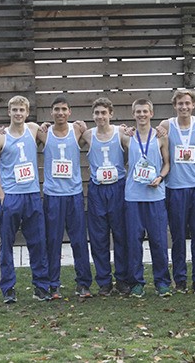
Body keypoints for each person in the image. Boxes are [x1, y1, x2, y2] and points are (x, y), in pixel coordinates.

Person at [0, 96, 51, 303]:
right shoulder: (0, 137)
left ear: (27, 111)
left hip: (31, 195)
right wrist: (2, 196)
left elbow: (59, 135)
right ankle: (8, 288)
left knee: (38, 243)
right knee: (7, 244)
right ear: (9, 112)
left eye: (22, 110)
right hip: (11, 197)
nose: (18, 113)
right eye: (14, 110)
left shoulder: (33, 129)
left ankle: (41, 286)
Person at [37, 95, 93, 299]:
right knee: (53, 241)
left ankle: (84, 284)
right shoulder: (43, 133)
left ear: (69, 112)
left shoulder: (78, 130)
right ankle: (54, 284)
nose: (60, 113)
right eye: (56, 109)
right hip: (53, 195)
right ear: (51, 112)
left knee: (79, 240)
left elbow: (103, 135)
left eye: (64, 109)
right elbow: (20, 136)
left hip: (74, 195)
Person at [158, 90, 195, 294]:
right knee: (178, 236)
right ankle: (179, 279)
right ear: (175, 105)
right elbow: (155, 143)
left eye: (187, 103)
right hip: (175, 187)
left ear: (193, 105)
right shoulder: (166, 125)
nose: (184, 107)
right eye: (180, 103)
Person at [80, 97, 130, 296]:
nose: (100, 116)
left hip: (118, 188)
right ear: (93, 115)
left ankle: (123, 279)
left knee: (121, 235)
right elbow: (62, 138)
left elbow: (141, 145)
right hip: (97, 190)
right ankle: (104, 281)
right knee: (99, 238)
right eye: (97, 113)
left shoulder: (120, 132)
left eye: (104, 113)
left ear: (111, 114)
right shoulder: (87, 134)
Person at [122, 98, 172, 298]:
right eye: (138, 112)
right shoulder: (127, 138)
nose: (142, 115)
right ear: (133, 114)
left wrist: (160, 177)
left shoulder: (161, 137)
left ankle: (162, 282)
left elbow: (167, 164)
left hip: (155, 195)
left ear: (152, 113)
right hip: (133, 196)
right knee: (134, 242)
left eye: (145, 111)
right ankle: (136, 283)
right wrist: (123, 128)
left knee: (158, 241)